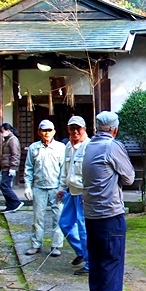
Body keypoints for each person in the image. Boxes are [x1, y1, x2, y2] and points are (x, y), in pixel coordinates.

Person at [82, 111, 136, 291]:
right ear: (115, 129)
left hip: (91, 212)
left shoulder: (89, 146)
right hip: (109, 212)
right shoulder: (112, 146)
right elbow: (129, 177)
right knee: (112, 258)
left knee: (96, 258)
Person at [23, 119, 66, 257]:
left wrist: (62, 187)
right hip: (39, 187)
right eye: (44, 130)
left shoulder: (61, 147)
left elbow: (64, 169)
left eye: (49, 130)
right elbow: (29, 168)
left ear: (54, 132)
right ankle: (36, 244)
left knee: (58, 217)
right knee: (37, 218)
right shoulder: (33, 148)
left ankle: (56, 245)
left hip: (56, 187)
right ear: (39, 132)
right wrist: (27, 186)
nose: (47, 133)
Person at [56, 116, 91, 275]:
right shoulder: (68, 146)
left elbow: (92, 174)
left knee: (84, 229)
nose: (75, 131)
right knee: (65, 223)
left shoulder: (89, 146)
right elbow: (65, 170)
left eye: (78, 128)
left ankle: (90, 263)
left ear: (84, 129)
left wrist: (88, 192)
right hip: (71, 192)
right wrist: (61, 188)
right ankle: (81, 252)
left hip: (83, 194)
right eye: (72, 128)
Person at [0, 123, 24, 214]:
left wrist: (13, 167)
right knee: (5, 186)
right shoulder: (7, 140)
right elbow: (2, 155)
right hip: (5, 166)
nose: (2, 133)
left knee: (4, 186)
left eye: (2, 131)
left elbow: (15, 155)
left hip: (9, 167)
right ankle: (10, 206)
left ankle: (16, 202)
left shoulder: (13, 140)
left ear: (8, 130)